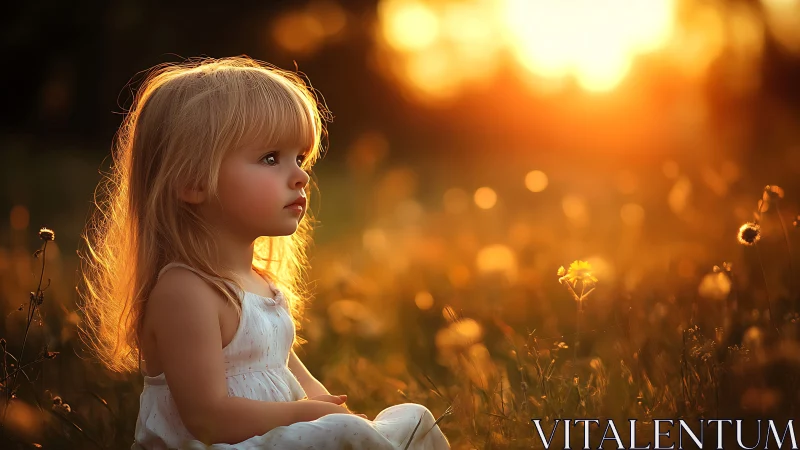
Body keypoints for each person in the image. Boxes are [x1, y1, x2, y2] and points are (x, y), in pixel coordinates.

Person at [77, 56, 451, 450]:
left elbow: (296, 378)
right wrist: (305, 415)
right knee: (349, 435)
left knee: (414, 420)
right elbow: (207, 418)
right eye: (271, 158)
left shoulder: (260, 284)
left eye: (300, 159)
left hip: (272, 439)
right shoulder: (185, 291)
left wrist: (334, 413)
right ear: (192, 182)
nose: (301, 176)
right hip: (216, 445)